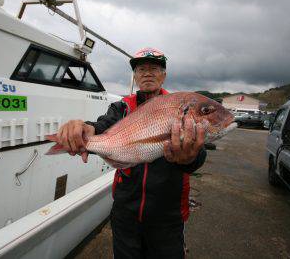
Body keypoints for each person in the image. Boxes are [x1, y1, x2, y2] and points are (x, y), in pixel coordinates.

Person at [55, 47, 207, 258]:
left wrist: (190, 157)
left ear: (164, 75)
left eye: (154, 68)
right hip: (125, 214)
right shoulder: (121, 108)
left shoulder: (178, 107)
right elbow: (102, 126)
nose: (147, 73)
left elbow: (198, 155)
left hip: (168, 218)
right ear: (135, 77)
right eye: (141, 69)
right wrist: (85, 129)